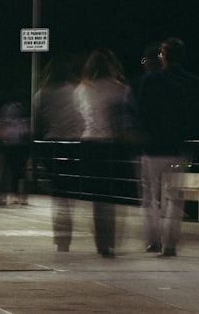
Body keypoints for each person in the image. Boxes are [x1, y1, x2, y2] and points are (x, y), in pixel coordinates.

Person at [137, 37, 199, 257]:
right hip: (179, 147)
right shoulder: (194, 82)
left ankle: (153, 240)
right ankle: (170, 243)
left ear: (163, 56)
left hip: (152, 147)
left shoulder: (150, 80)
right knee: (176, 196)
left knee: (150, 196)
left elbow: (142, 112)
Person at [74, 48, 132, 258]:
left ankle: (101, 243)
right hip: (113, 145)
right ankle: (112, 241)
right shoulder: (120, 89)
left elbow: (79, 116)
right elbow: (125, 120)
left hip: (90, 143)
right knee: (112, 195)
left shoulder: (81, 89)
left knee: (97, 197)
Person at [33, 54, 85, 251]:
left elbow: (37, 122)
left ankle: (62, 237)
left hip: (51, 144)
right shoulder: (76, 91)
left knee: (59, 192)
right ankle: (66, 234)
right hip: (74, 144)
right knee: (70, 191)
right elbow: (82, 117)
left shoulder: (41, 94)